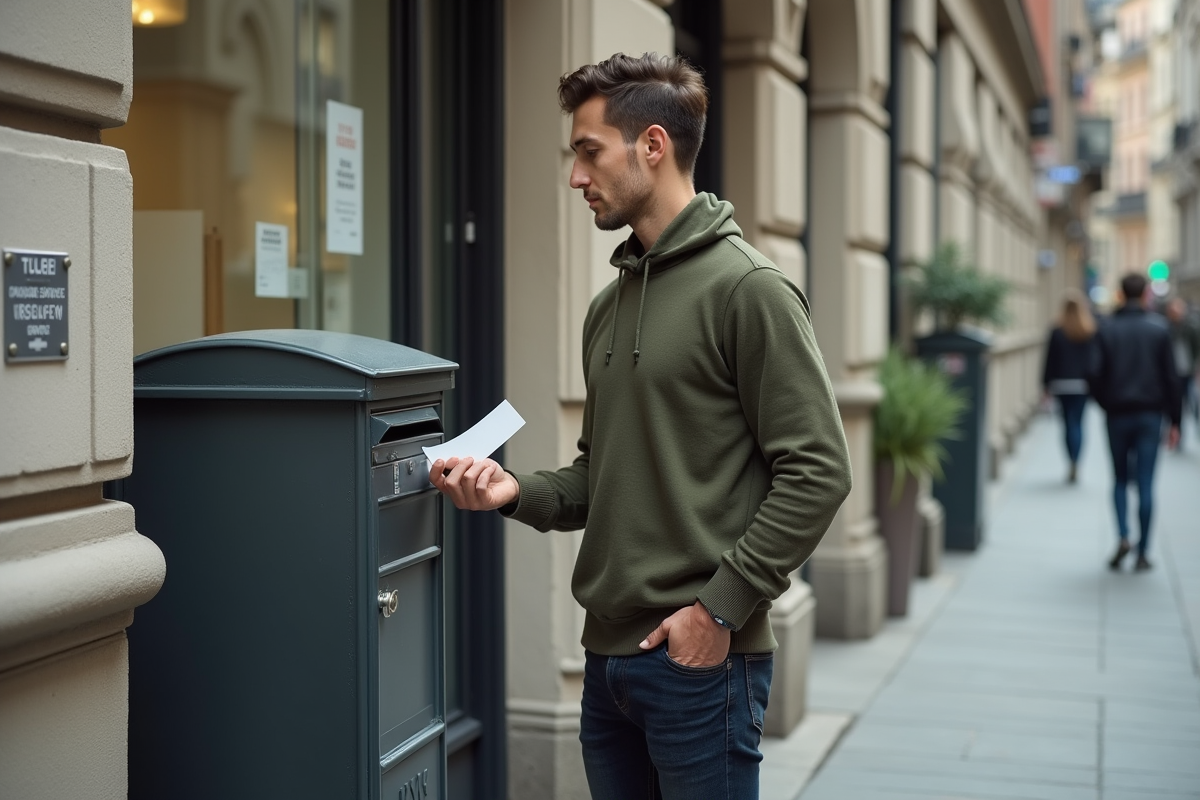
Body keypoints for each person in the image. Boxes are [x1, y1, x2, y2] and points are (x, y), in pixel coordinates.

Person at [428, 52, 852, 799]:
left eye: (588, 152)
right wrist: (511, 490)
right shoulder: (608, 306)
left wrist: (717, 612)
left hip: (701, 662)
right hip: (609, 664)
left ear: (651, 146)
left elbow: (818, 470)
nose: (575, 177)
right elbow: (600, 475)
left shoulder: (749, 291)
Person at [1088, 273, 1182, 572]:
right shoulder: (1159, 330)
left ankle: (1123, 535)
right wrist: (1175, 421)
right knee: (1145, 483)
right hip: (1150, 415)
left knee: (1118, 479)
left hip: (1117, 415)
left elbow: (1094, 374)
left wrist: (1107, 403)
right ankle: (1143, 551)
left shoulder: (1107, 329)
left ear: (1120, 294)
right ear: (1144, 295)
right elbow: (1172, 378)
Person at [1041, 289, 1097, 483]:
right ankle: (1076, 461)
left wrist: (1045, 385)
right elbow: (1093, 361)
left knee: (1067, 424)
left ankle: (1070, 461)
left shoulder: (1057, 331)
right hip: (1082, 385)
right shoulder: (1089, 331)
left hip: (1061, 385)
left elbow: (1049, 361)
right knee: (1079, 423)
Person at [1165, 297, 1200, 442]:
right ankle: (1177, 431)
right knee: (1177, 403)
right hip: (1173, 372)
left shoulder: (1191, 327)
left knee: (1193, 402)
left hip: (1188, 370)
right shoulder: (1166, 328)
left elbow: (1197, 348)